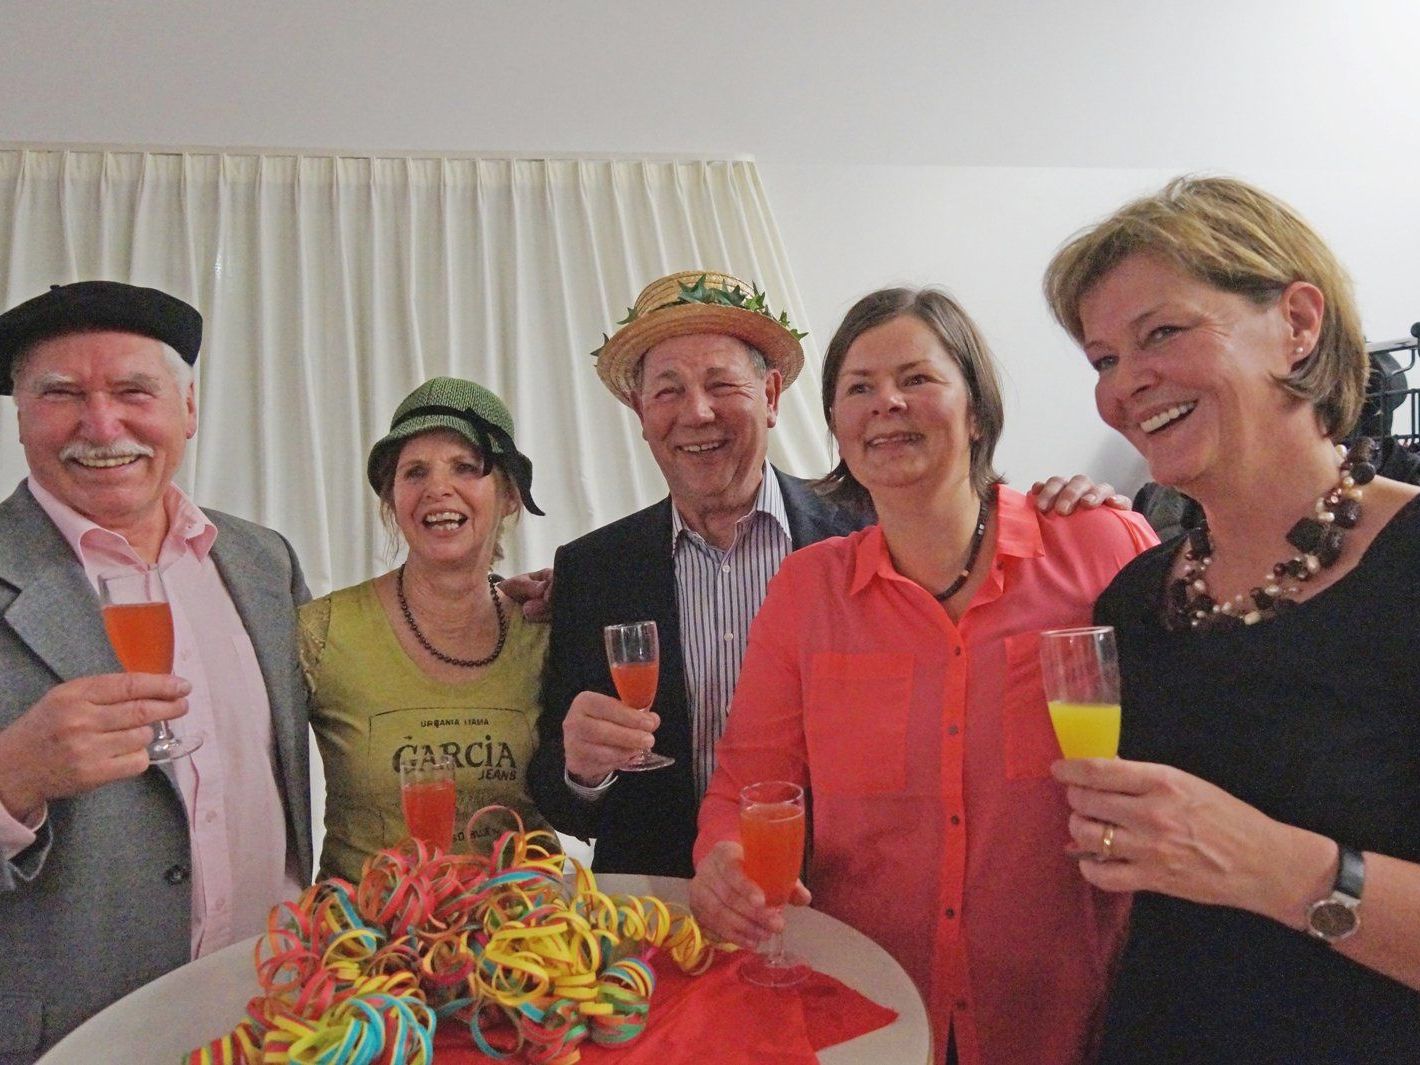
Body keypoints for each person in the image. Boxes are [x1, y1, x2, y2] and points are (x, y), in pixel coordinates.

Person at [689, 286, 1158, 1065]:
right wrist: (723, 862)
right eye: (859, 388)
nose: (887, 404)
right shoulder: (809, 589)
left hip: (1068, 1022)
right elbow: (748, 782)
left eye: (918, 378)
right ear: (837, 426)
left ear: (977, 409)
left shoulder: (1101, 548)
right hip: (868, 1017)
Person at [527, 270, 1121, 878]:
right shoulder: (592, 570)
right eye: (668, 391)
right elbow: (556, 796)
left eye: (722, 384)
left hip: (843, 901)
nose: (697, 412)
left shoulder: (874, 539)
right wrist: (582, 770)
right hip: (657, 913)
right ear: (641, 413)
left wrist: (1095, 518)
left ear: (773, 396)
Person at [1042, 176, 1420, 1063]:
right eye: (1102, 360)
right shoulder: (1138, 599)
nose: (1127, 385)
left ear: (1297, 321)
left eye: (1161, 333)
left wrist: (1275, 866)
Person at [0, 281, 311, 1063]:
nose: (101, 425)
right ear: (20, 415)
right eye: (61, 393)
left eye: (134, 390)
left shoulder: (262, 559)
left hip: (273, 1013)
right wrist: (12, 775)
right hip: (69, 1039)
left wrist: (491, 603)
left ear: (189, 407)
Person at [299, 376, 551, 881]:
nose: (438, 488)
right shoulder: (323, 630)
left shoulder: (546, 630)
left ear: (509, 497)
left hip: (525, 940)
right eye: (415, 472)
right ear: (393, 500)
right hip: (367, 944)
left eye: (465, 467)